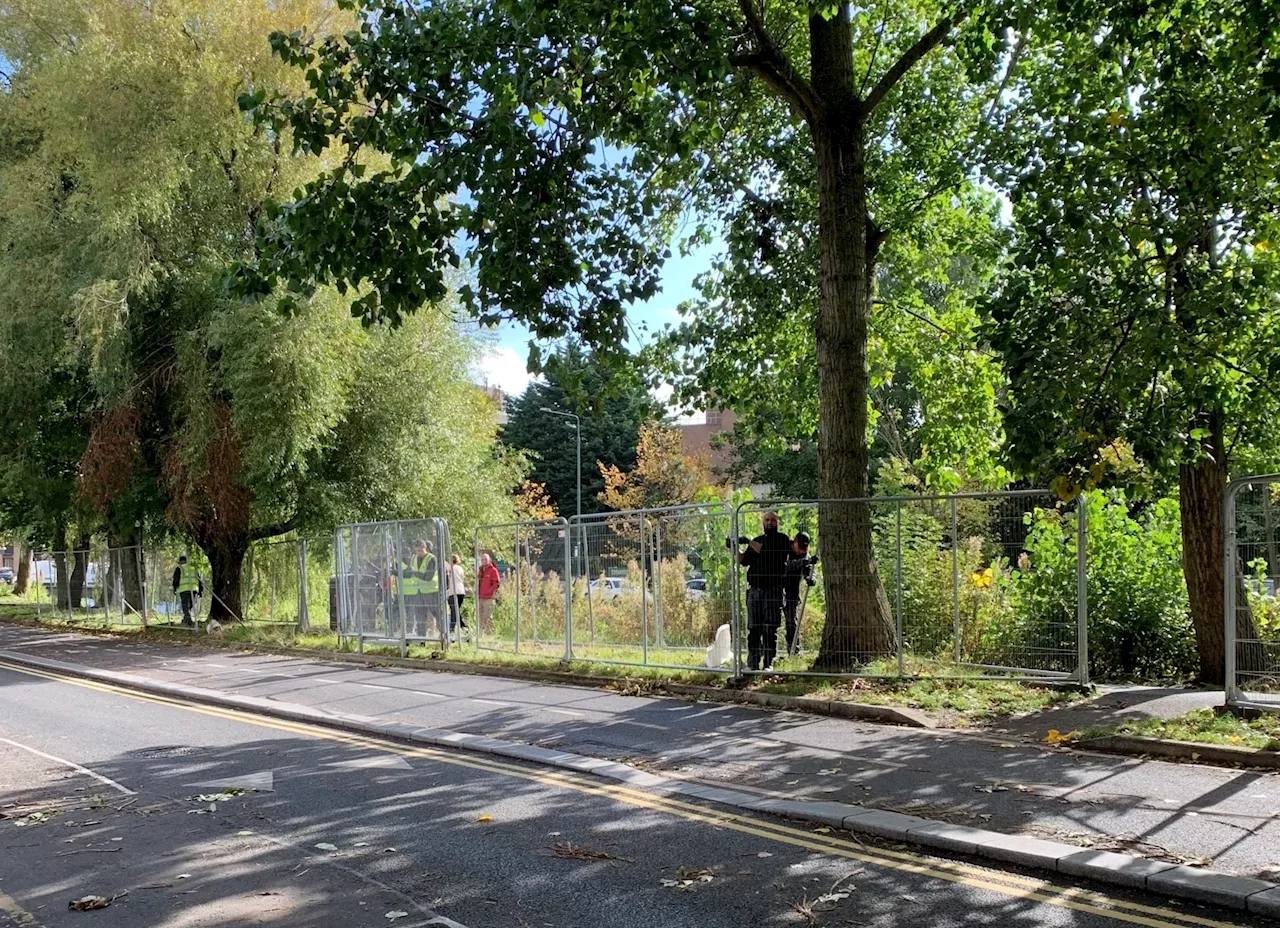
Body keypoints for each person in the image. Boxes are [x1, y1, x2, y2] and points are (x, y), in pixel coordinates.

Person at [737, 510, 790, 671]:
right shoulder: (757, 540)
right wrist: (734, 548)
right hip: (755, 591)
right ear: (763, 522)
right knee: (754, 628)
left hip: (772, 591)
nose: (769, 523)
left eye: (772, 520)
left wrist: (748, 541)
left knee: (769, 628)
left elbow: (767, 551)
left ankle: (769, 663)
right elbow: (744, 561)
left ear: (777, 522)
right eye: (767, 520)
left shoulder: (782, 540)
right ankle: (753, 664)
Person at [783, 531, 818, 656]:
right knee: (770, 621)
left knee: (792, 622)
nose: (802, 551)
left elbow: (809, 571)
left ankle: (794, 651)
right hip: (776, 589)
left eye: (805, 547)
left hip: (792, 592)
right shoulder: (784, 547)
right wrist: (805, 562)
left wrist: (811, 578)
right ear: (795, 542)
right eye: (800, 547)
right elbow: (786, 566)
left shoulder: (805, 555)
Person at [402, 540, 438, 638]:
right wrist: (397, 572)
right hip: (419, 592)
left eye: (420, 550)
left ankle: (443, 636)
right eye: (417, 550)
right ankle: (421, 638)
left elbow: (428, 577)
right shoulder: (414, 558)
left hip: (432, 591)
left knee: (437, 615)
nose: (418, 553)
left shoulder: (432, 559)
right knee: (420, 618)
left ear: (425, 547)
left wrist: (414, 573)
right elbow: (408, 572)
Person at [171, 554, 203, 627]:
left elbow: (176, 579)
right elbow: (199, 579)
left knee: (185, 605)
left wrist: (174, 588)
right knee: (190, 605)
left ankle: (188, 620)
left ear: (180, 561)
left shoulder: (179, 568)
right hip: (194, 589)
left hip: (184, 589)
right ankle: (186, 618)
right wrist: (200, 590)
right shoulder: (193, 568)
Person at [476, 551, 500, 636]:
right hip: (480, 597)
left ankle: (490, 634)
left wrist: (489, 591)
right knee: (481, 616)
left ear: (489, 560)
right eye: (482, 559)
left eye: (485, 559)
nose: (484, 561)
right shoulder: (480, 570)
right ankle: (481, 634)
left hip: (489, 598)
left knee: (488, 616)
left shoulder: (493, 570)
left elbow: (496, 583)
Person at [446, 553, 468, 637]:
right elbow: (462, 578)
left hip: (453, 591)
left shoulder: (450, 568)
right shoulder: (460, 568)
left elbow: (448, 580)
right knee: (456, 610)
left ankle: (451, 630)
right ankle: (464, 627)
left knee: (454, 611)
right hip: (461, 591)